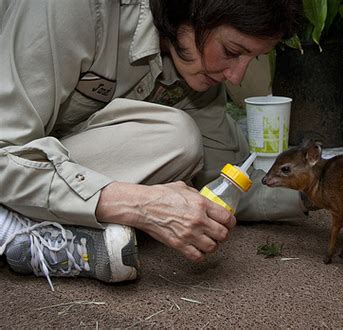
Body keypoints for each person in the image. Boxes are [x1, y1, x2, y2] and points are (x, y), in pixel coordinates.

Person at [0, 0, 308, 290]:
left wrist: (319, 189)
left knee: (176, 140)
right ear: (191, 9)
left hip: (38, 156)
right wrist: (141, 205)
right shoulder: (73, 8)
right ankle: (11, 229)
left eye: (251, 59)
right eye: (231, 51)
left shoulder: (195, 67)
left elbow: (226, 182)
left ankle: (26, 221)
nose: (237, 77)